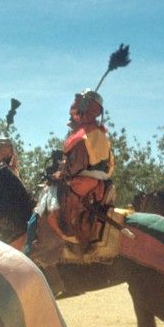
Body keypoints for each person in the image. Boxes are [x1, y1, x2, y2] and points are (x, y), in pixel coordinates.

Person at [48, 89, 114, 250]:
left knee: (50, 201)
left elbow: (76, 164)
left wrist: (59, 175)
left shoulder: (84, 135)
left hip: (83, 179)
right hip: (99, 180)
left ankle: (66, 239)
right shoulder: (99, 133)